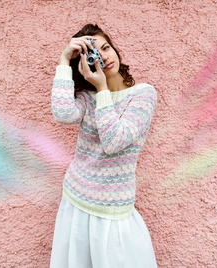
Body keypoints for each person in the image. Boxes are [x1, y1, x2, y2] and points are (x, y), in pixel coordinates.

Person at [50, 23, 157, 268]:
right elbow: (63, 114)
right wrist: (64, 60)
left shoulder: (143, 95)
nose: (104, 57)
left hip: (113, 210)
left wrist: (102, 88)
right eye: (94, 54)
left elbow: (114, 141)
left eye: (106, 47)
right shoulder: (88, 98)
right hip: (76, 198)